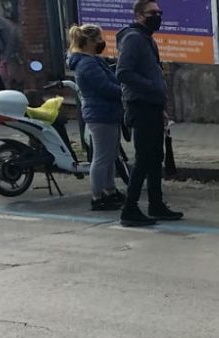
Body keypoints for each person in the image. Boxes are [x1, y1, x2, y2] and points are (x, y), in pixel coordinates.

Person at [116, 0, 182, 226]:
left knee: (155, 157)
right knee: (144, 158)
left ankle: (156, 204)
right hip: (140, 105)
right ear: (138, 15)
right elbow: (123, 72)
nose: (157, 16)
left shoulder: (146, 39)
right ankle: (130, 209)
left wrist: (160, 106)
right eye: (151, 13)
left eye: (159, 12)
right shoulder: (133, 38)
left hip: (152, 106)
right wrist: (151, 88)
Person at [68, 24, 125, 211]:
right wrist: (124, 93)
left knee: (110, 155)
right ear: (89, 42)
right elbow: (105, 87)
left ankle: (110, 190)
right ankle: (97, 196)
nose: (102, 42)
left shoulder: (93, 61)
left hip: (106, 112)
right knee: (102, 157)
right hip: (100, 113)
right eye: (99, 39)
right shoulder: (87, 64)